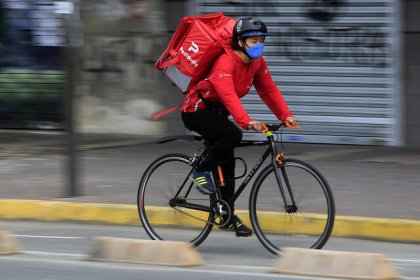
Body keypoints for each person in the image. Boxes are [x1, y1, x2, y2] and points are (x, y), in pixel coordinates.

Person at [180, 17, 299, 237]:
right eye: (254, 40)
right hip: (196, 111)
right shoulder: (225, 62)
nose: (259, 44)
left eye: (261, 40)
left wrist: (286, 115)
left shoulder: (257, 63)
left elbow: (269, 91)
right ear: (241, 42)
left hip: (218, 115)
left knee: (228, 162)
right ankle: (201, 170)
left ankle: (226, 216)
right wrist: (246, 121)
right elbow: (228, 95)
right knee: (233, 134)